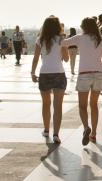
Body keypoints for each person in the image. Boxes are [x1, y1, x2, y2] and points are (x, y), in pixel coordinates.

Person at [63, 17, 102, 145]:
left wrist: (60, 31)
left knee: (82, 106)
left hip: (84, 74)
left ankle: (86, 127)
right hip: (99, 75)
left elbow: (63, 43)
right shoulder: (101, 40)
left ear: (84, 27)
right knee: (94, 105)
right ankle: (93, 134)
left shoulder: (80, 38)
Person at [31, 16, 68, 144]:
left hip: (44, 73)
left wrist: (32, 72)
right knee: (58, 106)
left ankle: (46, 130)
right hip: (59, 73)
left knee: (46, 104)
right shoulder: (62, 40)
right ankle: (56, 134)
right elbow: (67, 58)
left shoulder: (40, 39)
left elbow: (35, 58)